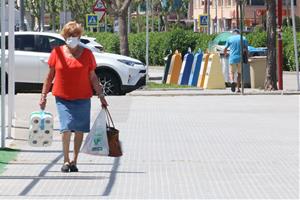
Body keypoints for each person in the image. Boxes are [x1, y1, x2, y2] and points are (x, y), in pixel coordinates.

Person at [39, 21, 108, 173]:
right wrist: (43, 95)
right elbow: (49, 76)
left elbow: (93, 77)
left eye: (75, 35)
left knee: (79, 129)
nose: (72, 38)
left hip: (83, 97)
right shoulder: (57, 53)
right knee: (66, 127)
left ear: (79, 36)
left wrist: (101, 96)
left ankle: (74, 160)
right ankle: (65, 160)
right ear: (64, 36)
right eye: (69, 35)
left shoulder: (88, 54)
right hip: (63, 97)